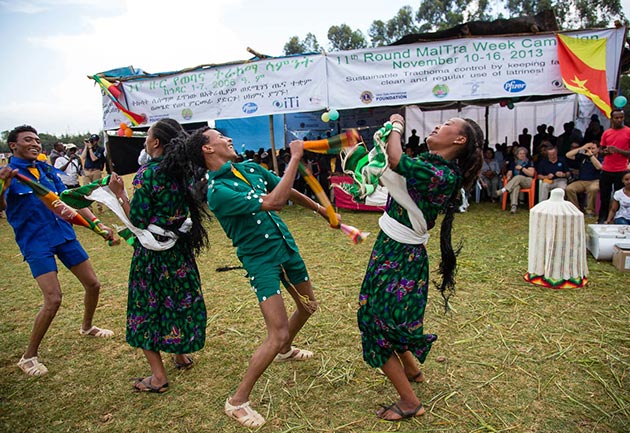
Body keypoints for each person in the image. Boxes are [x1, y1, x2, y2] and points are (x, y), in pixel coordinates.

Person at [177, 127, 335, 428]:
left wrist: (321, 209)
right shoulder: (218, 192)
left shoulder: (249, 168)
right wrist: (295, 157)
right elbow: (275, 202)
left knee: (309, 307)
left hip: (285, 248)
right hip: (261, 262)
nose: (228, 139)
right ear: (207, 150)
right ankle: (237, 401)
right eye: (220, 137)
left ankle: (285, 351)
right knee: (276, 332)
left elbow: (286, 190)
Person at [355, 114, 483, 421]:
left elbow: (397, 160)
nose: (438, 126)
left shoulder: (441, 174)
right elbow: (396, 166)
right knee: (389, 317)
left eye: (448, 124)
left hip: (399, 256)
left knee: (374, 322)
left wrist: (396, 126)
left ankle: (410, 402)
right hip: (395, 250)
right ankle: (411, 369)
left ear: (459, 140)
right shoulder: (433, 165)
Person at [0, 125, 115, 376]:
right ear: (13, 146)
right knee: (53, 299)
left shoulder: (45, 170)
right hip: (35, 242)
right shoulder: (7, 174)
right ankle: (28, 357)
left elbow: (67, 201)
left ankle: (87, 327)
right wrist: (3, 185)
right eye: (28, 140)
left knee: (93, 284)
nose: (35, 143)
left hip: (63, 235)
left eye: (38, 140)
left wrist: (98, 225)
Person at [108, 119, 209, 394]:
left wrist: (119, 195)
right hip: (178, 251)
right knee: (178, 299)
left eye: (147, 136)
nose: (144, 141)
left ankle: (158, 377)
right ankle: (180, 355)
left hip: (152, 255)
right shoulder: (182, 172)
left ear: (155, 142)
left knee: (147, 308)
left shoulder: (147, 174)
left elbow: (138, 220)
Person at [598, 108, 630, 223]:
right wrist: (606, 152)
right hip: (607, 168)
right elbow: (601, 150)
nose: (619, 120)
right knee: (604, 196)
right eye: (616, 118)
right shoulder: (607, 133)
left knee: (619, 196)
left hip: (621, 170)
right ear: (612, 119)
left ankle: (618, 217)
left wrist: (618, 150)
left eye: (621, 117)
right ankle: (602, 218)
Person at [565, 142, 602, 217]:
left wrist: (591, 156)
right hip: (581, 181)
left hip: (595, 181)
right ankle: (575, 210)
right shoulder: (583, 157)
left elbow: (599, 167)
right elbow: (568, 155)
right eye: (589, 148)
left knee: (593, 189)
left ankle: (590, 211)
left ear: (598, 149)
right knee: (569, 188)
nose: (590, 150)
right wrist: (582, 148)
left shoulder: (601, 158)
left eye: (593, 148)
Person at [497, 147, 536, 213]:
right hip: (516, 182)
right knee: (515, 186)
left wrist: (522, 168)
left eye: (523, 153)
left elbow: (531, 174)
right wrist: (509, 176)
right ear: (517, 155)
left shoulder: (529, 162)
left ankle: (503, 190)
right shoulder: (514, 163)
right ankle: (513, 206)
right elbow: (510, 172)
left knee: (518, 177)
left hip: (527, 181)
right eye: (520, 153)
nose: (522, 155)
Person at [81, 134, 107, 213]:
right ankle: (89, 209)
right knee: (86, 190)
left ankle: (99, 206)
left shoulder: (100, 149)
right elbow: (83, 157)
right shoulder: (88, 148)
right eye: (91, 140)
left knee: (97, 188)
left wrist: (90, 149)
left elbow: (94, 158)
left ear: (97, 141)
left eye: (94, 141)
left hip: (96, 170)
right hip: (87, 170)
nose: (92, 142)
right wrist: (86, 147)